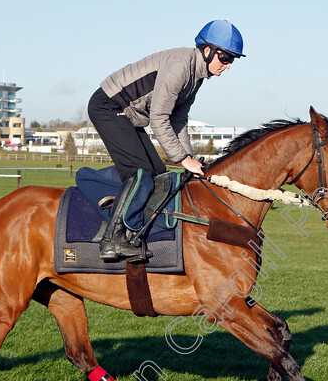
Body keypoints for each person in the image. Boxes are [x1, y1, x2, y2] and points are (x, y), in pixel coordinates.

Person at [89, 19, 244, 261]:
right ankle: (112, 239)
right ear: (207, 50)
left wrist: (189, 158)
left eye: (232, 60)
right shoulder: (180, 67)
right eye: (225, 58)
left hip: (128, 114)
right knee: (139, 172)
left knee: (158, 173)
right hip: (108, 106)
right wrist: (182, 158)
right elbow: (159, 118)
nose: (228, 65)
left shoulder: (197, 77)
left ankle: (132, 231)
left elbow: (178, 119)